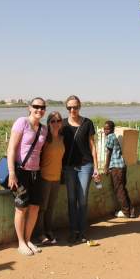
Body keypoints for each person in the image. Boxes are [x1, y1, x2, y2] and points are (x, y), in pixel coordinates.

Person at [7, 97, 48, 256]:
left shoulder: (43, 129)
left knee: (35, 207)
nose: (39, 109)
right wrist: (12, 172)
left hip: (35, 172)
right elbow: (11, 149)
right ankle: (21, 243)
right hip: (21, 171)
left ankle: (28, 239)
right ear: (29, 107)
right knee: (21, 208)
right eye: (36, 106)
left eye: (42, 107)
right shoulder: (21, 122)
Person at [62, 95, 99, 244]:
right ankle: (73, 230)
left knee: (82, 199)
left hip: (85, 165)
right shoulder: (63, 124)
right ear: (67, 108)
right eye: (70, 107)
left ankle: (82, 230)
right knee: (71, 200)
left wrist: (96, 166)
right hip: (69, 166)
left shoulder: (87, 123)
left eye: (75, 107)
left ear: (80, 107)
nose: (73, 110)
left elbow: (92, 146)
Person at [35, 111, 65, 245]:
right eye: (53, 121)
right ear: (48, 123)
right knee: (42, 208)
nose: (56, 123)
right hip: (45, 177)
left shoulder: (62, 138)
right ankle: (40, 234)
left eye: (58, 120)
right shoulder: (45, 138)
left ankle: (49, 231)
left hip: (57, 177)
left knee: (51, 207)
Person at [103, 120, 135, 218]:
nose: (105, 131)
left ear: (112, 129)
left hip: (116, 167)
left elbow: (109, 152)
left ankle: (125, 212)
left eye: (107, 129)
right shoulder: (114, 137)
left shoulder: (110, 137)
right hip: (122, 165)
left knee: (119, 190)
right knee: (122, 188)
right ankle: (131, 211)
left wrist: (106, 166)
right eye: (104, 129)